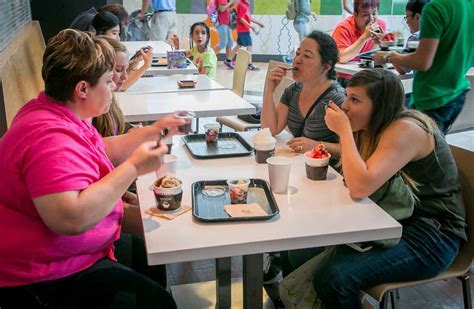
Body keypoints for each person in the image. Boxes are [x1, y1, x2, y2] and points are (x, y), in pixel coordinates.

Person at [0, 29, 183, 308]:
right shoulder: (49, 138)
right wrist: (134, 167)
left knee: (148, 252)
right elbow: (71, 219)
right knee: (156, 302)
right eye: (109, 81)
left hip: (62, 256)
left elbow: (96, 150)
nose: (114, 87)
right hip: (40, 276)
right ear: (82, 89)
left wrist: (152, 132)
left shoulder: (54, 111)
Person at [283, 68, 466, 308]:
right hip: (394, 218)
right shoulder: (378, 126)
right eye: (347, 96)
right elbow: (359, 166)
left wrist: (344, 131)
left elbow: (359, 187)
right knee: (297, 251)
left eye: (355, 99)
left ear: (380, 106)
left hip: (433, 235)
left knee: (334, 278)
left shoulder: (406, 130)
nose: (345, 105)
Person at [374, 0, 473, 134]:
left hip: (432, 98)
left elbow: (422, 62)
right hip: (457, 94)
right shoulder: (468, 6)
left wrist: (388, 56)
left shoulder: (435, 8)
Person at [261, 30, 345, 155]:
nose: (297, 60)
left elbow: (351, 149)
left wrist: (316, 145)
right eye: (298, 53)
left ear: (325, 67)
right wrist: (270, 90)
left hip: (326, 169)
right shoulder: (293, 90)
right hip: (300, 164)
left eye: (307, 56)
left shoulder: (337, 100)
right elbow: (270, 129)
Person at [332, 0, 386, 86]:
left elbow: (372, 56)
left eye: (374, 13)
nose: (371, 19)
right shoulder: (343, 28)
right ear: (355, 14)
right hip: (345, 77)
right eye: (365, 15)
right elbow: (341, 58)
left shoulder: (380, 25)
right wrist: (364, 37)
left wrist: (380, 43)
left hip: (367, 76)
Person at [392, 0, 428, 75]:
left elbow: (403, 69)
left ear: (417, 17)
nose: (406, 22)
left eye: (407, 17)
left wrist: (388, 54)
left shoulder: (415, 38)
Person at [232, 0, 265, 71]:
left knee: (238, 46)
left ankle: (228, 60)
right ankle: (249, 64)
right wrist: (251, 26)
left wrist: (258, 23)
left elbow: (248, 17)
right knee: (249, 46)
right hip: (243, 30)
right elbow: (241, 18)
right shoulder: (241, 4)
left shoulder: (246, 4)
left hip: (244, 30)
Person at [213, 0, 239, 69]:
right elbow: (222, 9)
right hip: (221, 23)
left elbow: (225, 7)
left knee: (230, 43)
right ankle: (207, 57)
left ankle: (228, 61)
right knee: (223, 43)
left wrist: (232, 2)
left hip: (226, 23)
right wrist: (231, 2)